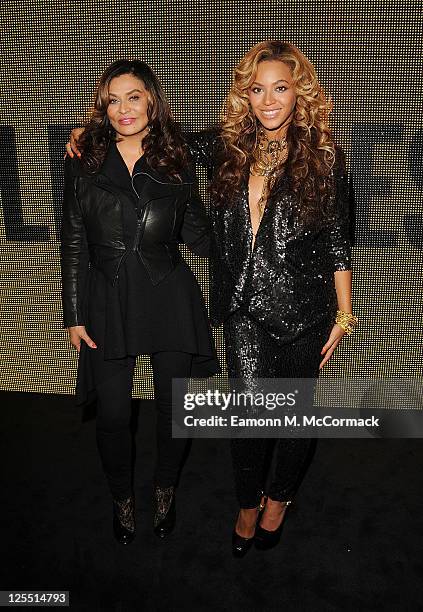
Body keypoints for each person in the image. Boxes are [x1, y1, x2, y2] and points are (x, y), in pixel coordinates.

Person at [67, 41, 357, 557]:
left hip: (305, 305)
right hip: (241, 305)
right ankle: (247, 504)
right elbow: (159, 138)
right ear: (244, 95)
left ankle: (276, 503)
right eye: (257, 88)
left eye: (281, 87)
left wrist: (345, 312)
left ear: (299, 94)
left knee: (295, 417)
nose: (269, 99)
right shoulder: (225, 146)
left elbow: (338, 239)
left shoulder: (325, 158)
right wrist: (89, 133)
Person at [61, 59, 219, 545]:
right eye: (113, 98)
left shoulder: (179, 156)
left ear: (151, 99)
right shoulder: (83, 158)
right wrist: (73, 313)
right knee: (112, 415)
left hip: (169, 293)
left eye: (133, 96)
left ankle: (165, 489)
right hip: (106, 298)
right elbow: (72, 239)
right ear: (102, 107)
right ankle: (122, 498)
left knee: (174, 410)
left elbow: (197, 232)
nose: (123, 108)